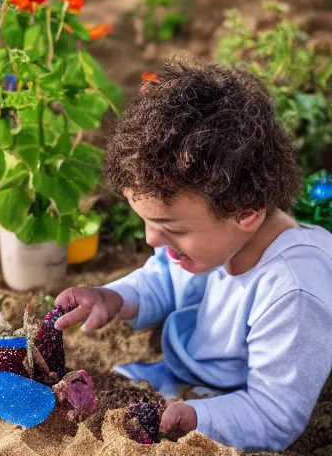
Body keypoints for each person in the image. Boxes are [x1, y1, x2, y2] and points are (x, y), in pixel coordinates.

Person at [54, 57, 332, 452]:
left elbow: (276, 414)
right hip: (183, 374)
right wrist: (113, 297)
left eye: (172, 228)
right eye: (148, 223)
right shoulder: (214, 242)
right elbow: (163, 279)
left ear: (247, 213)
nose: (153, 240)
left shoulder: (294, 291)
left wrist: (199, 418)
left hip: (236, 400)